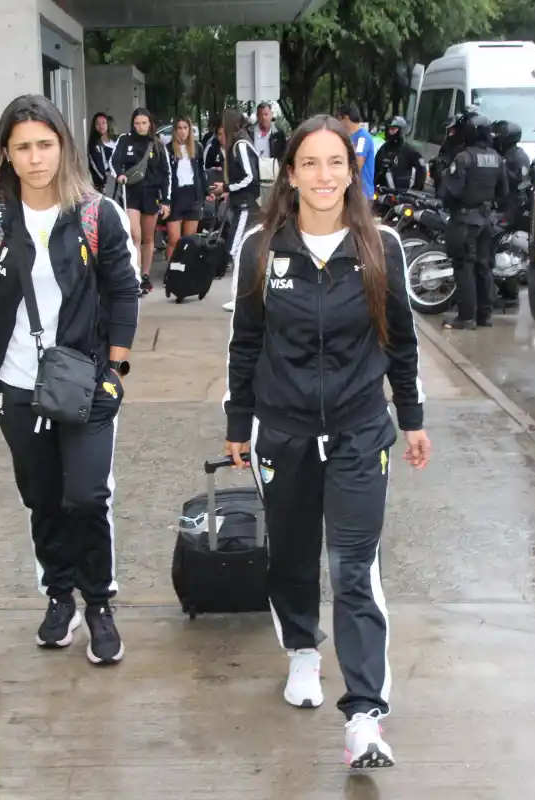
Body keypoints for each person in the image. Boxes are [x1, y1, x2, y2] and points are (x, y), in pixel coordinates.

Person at [224, 113, 432, 769]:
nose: (323, 175)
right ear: (289, 173)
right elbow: (245, 343)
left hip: (359, 431)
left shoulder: (381, 247)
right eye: (309, 163)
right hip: (283, 431)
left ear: (351, 170)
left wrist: (412, 416)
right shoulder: (261, 249)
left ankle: (365, 715)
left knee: (354, 568)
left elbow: (401, 340)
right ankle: (302, 651)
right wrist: (238, 423)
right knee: (291, 556)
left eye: (334, 162)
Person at [0, 93, 141, 666]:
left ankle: (98, 603)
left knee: (87, 496)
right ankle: (59, 596)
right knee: (43, 498)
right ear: (5, 152)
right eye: (23, 147)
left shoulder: (98, 213)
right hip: (17, 384)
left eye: (45, 145)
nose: (35, 157)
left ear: (63, 147)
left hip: (85, 382)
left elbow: (124, 289)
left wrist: (116, 365)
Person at [438, 111, 508, 330]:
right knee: (483, 267)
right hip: (486, 220)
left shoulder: (464, 158)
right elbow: (503, 192)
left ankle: (466, 317)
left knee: (464, 267)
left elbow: (450, 192)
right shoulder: (497, 158)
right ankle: (484, 316)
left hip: (465, 220)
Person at [111, 107, 171, 296]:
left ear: (150, 124)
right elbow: (114, 161)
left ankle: (145, 275)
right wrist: (119, 174)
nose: (140, 127)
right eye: (137, 123)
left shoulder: (157, 145)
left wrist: (166, 200)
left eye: (144, 123)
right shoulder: (124, 140)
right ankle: (135, 277)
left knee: (148, 238)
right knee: (135, 236)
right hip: (131, 195)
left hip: (151, 195)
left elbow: (166, 174)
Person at [211, 108, 261, 312]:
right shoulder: (240, 144)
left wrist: (227, 187)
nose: (219, 135)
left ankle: (239, 297)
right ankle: (242, 296)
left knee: (237, 250)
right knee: (238, 249)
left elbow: (250, 177)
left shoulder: (240, 145)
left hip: (246, 206)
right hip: (243, 205)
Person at [491, 119, 532, 313]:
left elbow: (520, 182)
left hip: (512, 208)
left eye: (499, 136)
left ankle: (506, 289)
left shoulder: (518, 156)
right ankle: (507, 290)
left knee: (493, 238)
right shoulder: (504, 155)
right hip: (502, 205)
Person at [166, 116, 206, 258]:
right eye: (179, 128)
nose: (183, 131)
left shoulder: (197, 147)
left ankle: (186, 268)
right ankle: (172, 268)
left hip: (193, 194)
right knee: (174, 239)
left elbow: (201, 172)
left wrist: (206, 192)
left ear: (190, 130)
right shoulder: (168, 149)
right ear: (175, 130)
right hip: (175, 196)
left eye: (185, 128)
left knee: (189, 240)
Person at [373, 116, 426, 193]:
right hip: (382, 192)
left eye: (393, 129)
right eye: (388, 129)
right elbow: (375, 168)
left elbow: (421, 169)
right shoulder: (383, 149)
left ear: (401, 130)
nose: (390, 132)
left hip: (401, 194)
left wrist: (415, 189)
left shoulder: (408, 150)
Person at [336, 103, 376, 200]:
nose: (338, 123)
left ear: (346, 118)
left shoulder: (362, 137)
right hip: (350, 191)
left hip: (362, 193)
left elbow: (358, 164)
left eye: (339, 119)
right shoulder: (348, 138)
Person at [87, 112, 117, 193]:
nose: (101, 126)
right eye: (97, 124)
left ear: (108, 124)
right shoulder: (93, 145)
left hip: (120, 179)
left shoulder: (116, 140)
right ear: (94, 126)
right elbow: (95, 166)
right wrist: (104, 180)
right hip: (105, 183)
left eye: (103, 123)